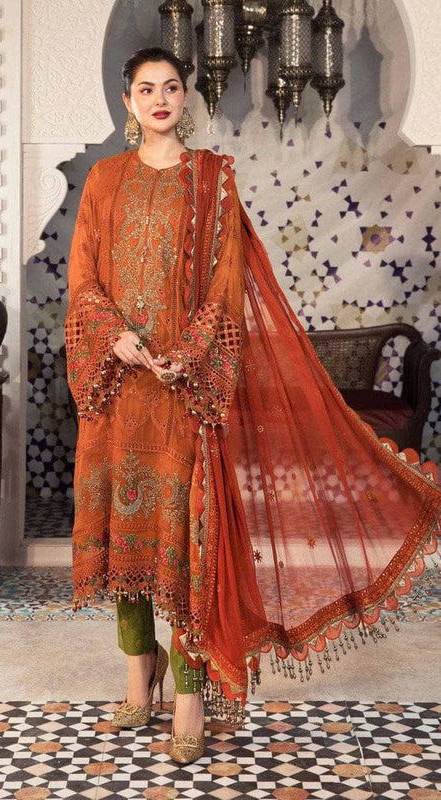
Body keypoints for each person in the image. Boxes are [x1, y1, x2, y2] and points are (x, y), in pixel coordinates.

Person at [65, 46, 441, 766]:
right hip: (120, 388)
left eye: (171, 87)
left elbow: (225, 284)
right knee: (124, 540)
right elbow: (83, 278)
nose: (160, 98)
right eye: (146, 88)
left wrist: (188, 354)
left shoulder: (213, 178)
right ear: (128, 101)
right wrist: (114, 338)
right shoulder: (105, 180)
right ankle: (138, 676)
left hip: (183, 391)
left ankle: (187, 694)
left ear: (185, 97)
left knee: (185, 548)